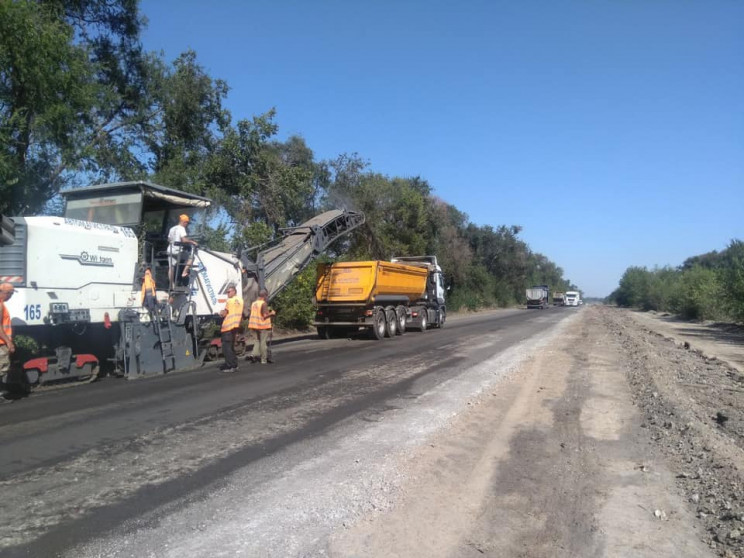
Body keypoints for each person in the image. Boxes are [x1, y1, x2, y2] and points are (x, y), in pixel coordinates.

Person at [167, 214, 198, 289]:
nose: (187, 225)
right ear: (184, 222)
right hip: (177, 250)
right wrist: (192, 242)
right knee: (191, 258)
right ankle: (184, 272)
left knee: (171, 268)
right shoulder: (181, 228)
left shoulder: (172, 228)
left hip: (170, 250)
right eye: (186, 223)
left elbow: (168, 239)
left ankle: (172, 286)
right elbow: (184, 240)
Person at [219, 284, 244, 373]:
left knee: (226, 348)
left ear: (234, 291)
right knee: (231, 347)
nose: (227, 294)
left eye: (228, 292)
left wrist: (220, 313)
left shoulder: (230, 301)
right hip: (235, 326)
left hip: (228, 327)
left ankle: (230, 366)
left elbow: (225, 313)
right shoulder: (240, 300)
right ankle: (234, 364)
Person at [248, 288, 275, 364]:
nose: (267, 297)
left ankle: (253, 355)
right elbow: (264, 316)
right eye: (267, 296)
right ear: (264, 296)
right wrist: (272, 313)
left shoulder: (254, 303)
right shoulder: (263, 304)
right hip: (262, 326)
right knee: (263, 342)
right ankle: (264, 359)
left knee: (257, 341)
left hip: (254, 325)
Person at [0, 283, 15, 401]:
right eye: (11, 293)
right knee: (2, 368)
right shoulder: (0, 305)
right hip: (1, 343)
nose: (11, 296)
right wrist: (8, 342)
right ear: (6, 293)